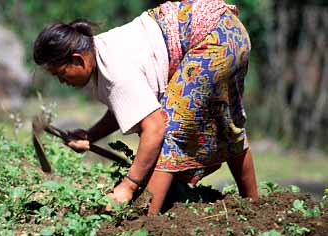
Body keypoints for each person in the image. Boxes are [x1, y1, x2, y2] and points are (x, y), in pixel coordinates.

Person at [33, 0, 258, 215]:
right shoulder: (103, 50)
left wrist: (129, 185)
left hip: (212, 41)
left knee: (169, 130)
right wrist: (91, 135)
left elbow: (156, 127)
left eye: (60, 74)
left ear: (78, 60)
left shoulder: (113, 71)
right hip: (230, 31)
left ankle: (147, 223)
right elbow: (129, 105)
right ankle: (255, 206)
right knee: (227, 124)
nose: (62, 81)